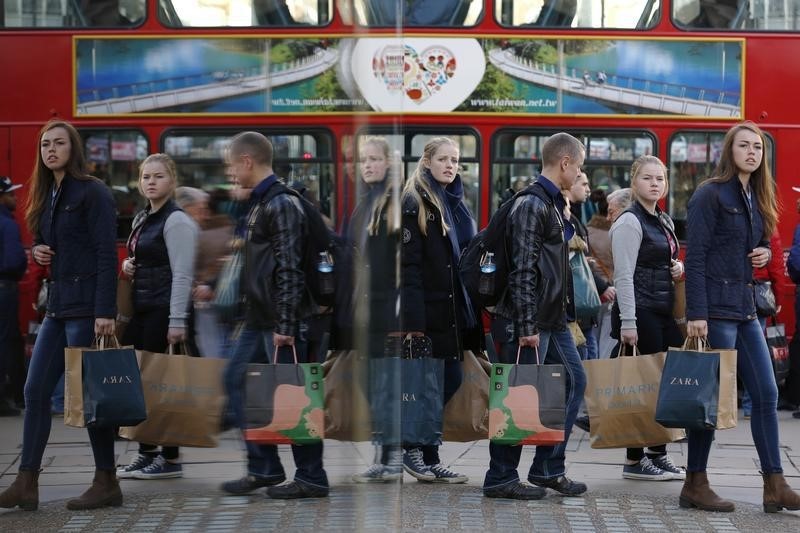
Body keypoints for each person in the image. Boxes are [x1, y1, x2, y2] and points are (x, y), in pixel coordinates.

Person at [0, 120, 118, 512]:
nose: (50, 149)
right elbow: (43, 241)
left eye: (59, 143)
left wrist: (105, 311)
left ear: (74, 148)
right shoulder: (46, 193)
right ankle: (26, 482)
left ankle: (106, 481)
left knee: (91, 397)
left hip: (87, 307)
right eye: (45, 144)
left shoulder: (92, 192)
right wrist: (37, 251)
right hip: (58, 306)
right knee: (35, 392)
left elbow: (106, 253)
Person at [685, 121, 800, 513]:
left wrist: (765, 253)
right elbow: (695, 257)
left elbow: (761, 244)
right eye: (744, 145)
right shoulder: (709, 195)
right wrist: (696, 313)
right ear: (729, 151)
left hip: (747, 308)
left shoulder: (758, 195)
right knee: (709, 399)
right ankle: (695, 483)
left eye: (758, 147)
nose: (752, 152)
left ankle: (775, 484)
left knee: (767, 394)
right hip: (715, 310)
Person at [220, 131, 329, 499]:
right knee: (234, 379)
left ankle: (312, 477)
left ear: (247, 161)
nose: (230, 173)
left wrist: (285, 323)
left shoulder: (281, 203)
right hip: (258, 318)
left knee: (294, 395)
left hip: (281, 320)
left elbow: (289, 267)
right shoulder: (259, 202)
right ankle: (264, 467)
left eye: (231, 165)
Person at [483, 132, 588, 500]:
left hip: (553, 318)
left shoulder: (553, 203)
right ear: (565, 163)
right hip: (528, 319)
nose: (579, 174)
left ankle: (548, 468)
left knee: (575, 382)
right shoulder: (531, 204)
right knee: (518, 394)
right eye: (579, 167)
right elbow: (523, 269)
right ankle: (500, 476)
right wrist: (527, 325)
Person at [400, 136, 478, 483]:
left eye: (455, 160)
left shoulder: (452, 202)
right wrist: (413, 322)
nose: (451, 165)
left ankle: (429, 457)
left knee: (449, 380)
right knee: (429, 385)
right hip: (428, 314)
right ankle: (413, 450)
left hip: (451, 312)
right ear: (427, 161)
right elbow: (409, 268)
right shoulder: (414, 202)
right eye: (444, 159)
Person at [116, 154, 198, 480]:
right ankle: (146, 452)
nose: (151, 181)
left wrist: (177, 321)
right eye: (146, 176)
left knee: (165, 388)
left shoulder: (176, 221)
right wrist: (126, 266)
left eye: (158, 176)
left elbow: (182, 275)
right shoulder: (143, 218)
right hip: (143, 309)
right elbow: (137, 258)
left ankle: (171, 458)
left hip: (164, 311)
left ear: (172, 181)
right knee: (143, 388)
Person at [609, 155, 687, 482]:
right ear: (634, 182)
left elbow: (666, 260)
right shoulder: (629, 222)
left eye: (660, 179)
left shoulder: (663, 220)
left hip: (662, 310)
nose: (655, 183)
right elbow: (623, 276)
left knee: (663, 387)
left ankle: (658, 452)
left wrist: (678, 268)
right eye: (647, 178)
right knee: (641, 388)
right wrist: (629, 323)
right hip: (639, 311)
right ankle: (634, 459)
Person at [349, 137, 403, 483]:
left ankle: (391, 452)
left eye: (374, 159)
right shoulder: (364, 203)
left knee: (384, 383)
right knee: (371, 383)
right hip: (366, 307)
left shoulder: (393, 204)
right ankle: (385, 450)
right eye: (363, 160)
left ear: (388, 163)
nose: (367, 165)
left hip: (387, 307)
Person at [176, 186, 234, 358]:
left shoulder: (201, 234)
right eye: (200, 209)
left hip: (204, 302)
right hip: (226, 300)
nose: (204, 215)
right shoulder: (234, 230)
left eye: (205, 209)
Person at [565, 172, 613, 360]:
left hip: (581, 308)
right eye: (584, 184)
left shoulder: (576, 217)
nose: (588, 190)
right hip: (577, 307)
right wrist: (603, 286)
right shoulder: (569, 219)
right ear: (570, 183)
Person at [743, 230, 786, 419]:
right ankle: (750, 405)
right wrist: (778, 297)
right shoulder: (768, 226)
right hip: (758, 294)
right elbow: (776, 266)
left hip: (735, 290)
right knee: (755, 353)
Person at [0, 176, 27, 417]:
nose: (15, 197)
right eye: (10, 193)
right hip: (5, 287)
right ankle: (7, 397)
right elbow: (14, 260)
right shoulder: (7, 224)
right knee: (6, 341)